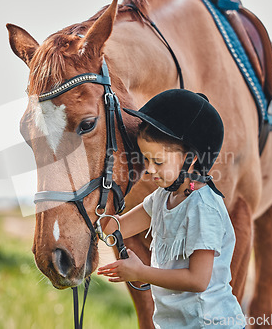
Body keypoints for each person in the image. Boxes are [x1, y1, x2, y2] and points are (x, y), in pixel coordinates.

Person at [97, 89, 246, 328]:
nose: (149, 170)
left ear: (191, 159)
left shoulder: (202, 207)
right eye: (146, 160)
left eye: (158, 161)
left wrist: (140, 273)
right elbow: (114, 229)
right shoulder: (161, 198)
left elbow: (198, 280)